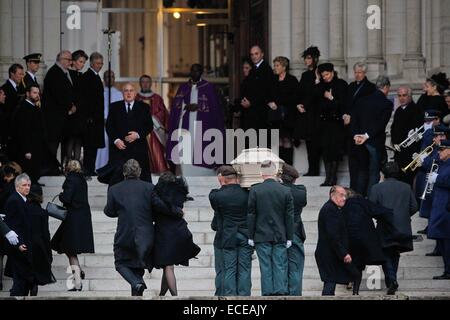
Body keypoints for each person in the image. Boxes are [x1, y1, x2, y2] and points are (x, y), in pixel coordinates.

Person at [104, 159, 172, 296]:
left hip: (125, 234)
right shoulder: (149, 187)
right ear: (139, 172)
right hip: (146, 235)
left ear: (124, 172)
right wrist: (176, 211)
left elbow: (109, 212)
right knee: (137, 268)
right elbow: (159, 207)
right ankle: (137, 287)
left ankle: (136, 283)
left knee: (121, 264)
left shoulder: (114, 189)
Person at [166, 64, 224, 176]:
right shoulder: (183, 87)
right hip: (185, 124)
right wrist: (186, 107)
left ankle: (203, 175)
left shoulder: (208, 87)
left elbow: (215, 110)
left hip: (203, 126)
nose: (194, 73)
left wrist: (198, 107)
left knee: (203, 149)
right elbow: (176, 108)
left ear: (201, 72)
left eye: (197, 71)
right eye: (192, 71)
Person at [369, 162, 418, 295]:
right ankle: (392, 281)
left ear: (383, 174)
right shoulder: (406, 187)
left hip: (385, 225)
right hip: (402, 226)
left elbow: (371, 209)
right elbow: (414, 207)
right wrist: (402, 216)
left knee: (386, 253)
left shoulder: (376, 188)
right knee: (395, 253)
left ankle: (391, 281)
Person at [247, 160, 294, 296]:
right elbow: (289, 217)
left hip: (261, 235)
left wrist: (250, 236)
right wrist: (290, 237)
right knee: (279, 265)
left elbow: (251, 214)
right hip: (280, 234)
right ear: (275, 173)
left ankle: (267, 294)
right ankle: (280, 292)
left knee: (265, 267)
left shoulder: (255, 189)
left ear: (261, 173)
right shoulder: (285, 190)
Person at [153, 172, 201, 296]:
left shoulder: (158, 197)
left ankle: (175, 296)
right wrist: (179, 212)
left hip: (165, 234)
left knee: (168, 266)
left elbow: (161, 208)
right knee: (167, 266)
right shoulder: (178, 193)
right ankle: (162, 295)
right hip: (179, 232)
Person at [51, 160, 95, 291]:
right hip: (82, 218)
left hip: (73, 219)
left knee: (70, 251)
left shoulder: (70, 179)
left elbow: (67, 198)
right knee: (67, 248)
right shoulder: (82, 180)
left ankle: (77, 282)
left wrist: (61, 196)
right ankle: (79, 273)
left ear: (68, 168)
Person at [209, 166, 252, 296]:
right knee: (245, 269)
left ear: (222, 178)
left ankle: (229, 298)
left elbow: (217, 211)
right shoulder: (248, 193)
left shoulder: (216, 195)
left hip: (227, 236)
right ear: (237, 178)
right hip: (245, 235)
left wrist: (223, 184)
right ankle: (244, 298)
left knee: (229, 269)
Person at [342, 188, 391, 295]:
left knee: (350, 262)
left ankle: (349, 280)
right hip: (363, 239)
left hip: (347, 239)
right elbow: (378, 210)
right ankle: (355, 291)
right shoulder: (362, 202)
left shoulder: (342, 204)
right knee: (359, 265)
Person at [352, 75, 394, 196]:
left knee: (361, 171)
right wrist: (366, 135)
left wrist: (357, 135)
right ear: (386, 87)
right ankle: (371, 199)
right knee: (373, 173)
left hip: (359, 142)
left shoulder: (361, 100)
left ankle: (359, 199)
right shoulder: (386, 103)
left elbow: (354, 120)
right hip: (374, 142)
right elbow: (381, 124)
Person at [106, 83, 153, 186]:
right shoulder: (114, 107)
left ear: (135, 93)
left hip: (139, 149)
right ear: (122, 93)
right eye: (126, 91)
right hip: (120, 149)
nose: (128, 93)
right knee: (116, 180)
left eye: (131, 90)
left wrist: (138, 135)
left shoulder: (144, 107)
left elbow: (149, 126)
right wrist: (116, 140)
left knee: (144, 181)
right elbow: (109, 126)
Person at [315, 185, 358, 296]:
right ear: (332, 195)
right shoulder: (330, 210)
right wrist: (344, 253)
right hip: (328, 254)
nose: (344, 198)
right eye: (341, 195)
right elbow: (333, 235)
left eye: (345, 196)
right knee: (330, 283)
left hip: (330, 253)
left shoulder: (333, 209)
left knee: (330, 282)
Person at [42, 50, 75, 174]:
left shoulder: (62, 72)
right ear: (61, 59)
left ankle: (55, 167)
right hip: (53, 117)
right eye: (68, 60)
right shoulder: (54, 73)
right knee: (52, 143)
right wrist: (70, 106)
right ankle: (50, 168)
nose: (70, 62)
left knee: (56, 142)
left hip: (60, 117)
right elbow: (59, 94)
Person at [344, 62, 377, 189]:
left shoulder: (370, 87)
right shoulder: (351, 86)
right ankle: (352, 188)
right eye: (356, 72)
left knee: (363, 162)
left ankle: (362, 190)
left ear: (364, 73)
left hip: (363, 128)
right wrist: (345, 115)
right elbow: (346, 104)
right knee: (352, 161)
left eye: (360, 72)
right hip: (350, 129)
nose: (357, 75)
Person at [316, 63, 348, 187]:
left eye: (327, 74)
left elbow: (341, 104)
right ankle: (327, 177)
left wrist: (331, 98)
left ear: (332, 73)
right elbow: (317, 102)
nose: (325, 77)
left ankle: (333, 178)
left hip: (336, 124)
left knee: (334, 151)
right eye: (323, 75)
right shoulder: (321, 87)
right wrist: (317, 80)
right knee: (325, 151)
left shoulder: (341, 84)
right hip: (324, 124)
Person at [2, 174, 34, 296]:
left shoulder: (21, 199)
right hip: (18, 247)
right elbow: (12, 225)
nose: (27, 188)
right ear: (17, 187)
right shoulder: (14, 200)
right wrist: (19, 244)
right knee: (19, 282)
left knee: (23, 282)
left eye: (29, 185)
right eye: (24, 185)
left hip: (22, 246)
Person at [280, 164, 307, 296]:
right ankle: (295, 295)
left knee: (280, 268)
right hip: (295, 232)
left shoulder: (277, 190)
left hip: (278, 233)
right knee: (295, 268)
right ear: (294, 179)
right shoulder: (300, 191)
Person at [267, 57, 299, 165]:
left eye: (277, 65)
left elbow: (294, 97)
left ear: (284, 67)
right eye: (274, 65)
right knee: (278, 141)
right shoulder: (272, 80)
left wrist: (278, 102)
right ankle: (280, 168)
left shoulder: (292, 80)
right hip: (275, 116)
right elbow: (268, 95)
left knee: (287, 140)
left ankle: (288, 168)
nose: (275, 68)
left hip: (287, 115)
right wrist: (270, 102)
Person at [240, 46, 275, 143]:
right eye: (252, 54)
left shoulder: (266, 69)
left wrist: (251, 102)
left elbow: (266, 92)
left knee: (260, 145)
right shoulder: (253, 70)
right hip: (251, 113)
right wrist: (243, 101)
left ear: (262, 54)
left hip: (261, 113)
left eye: (256, 53)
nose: (254, 56)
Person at [136, 75, 170, 174]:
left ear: (151, 84)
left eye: (147, 82)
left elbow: (163, 113)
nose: (145, 84)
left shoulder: (157, 98)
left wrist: (151, 119)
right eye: (143, 82)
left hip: (155, 131)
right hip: (140, 131)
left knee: (157, 151)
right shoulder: (136, 98)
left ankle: (159, 170)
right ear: (140, 84)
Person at [426, 140, 450, 280]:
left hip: (447, 207)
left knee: (446, 239)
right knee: (442, 238)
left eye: (442, 150)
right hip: (440, 205)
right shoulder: (443, 164)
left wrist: (437, 179)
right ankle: (447, 269)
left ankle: (448, 270)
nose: (439, 152)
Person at [296, 46, 321, 176]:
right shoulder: (305, 75)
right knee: (309, 142)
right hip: (306, 113)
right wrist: (299, 104)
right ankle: (312, 169)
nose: (306, 60)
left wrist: (317, 81)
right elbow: (300, 92)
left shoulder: (320, 73)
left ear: (315, 59)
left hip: (316, 113)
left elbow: (317, 94)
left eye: (309, 58)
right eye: (305, 58)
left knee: (316, 141)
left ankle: (315, 169)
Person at [12, 85, 45, 184]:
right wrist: (27, 150)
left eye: (38, 93)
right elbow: (23, 130)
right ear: (27, 94)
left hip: (35, 146)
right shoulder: (24, 108)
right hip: (28, 148)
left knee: (33, 172)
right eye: (34, 93)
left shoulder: (34, 107)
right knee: (28, 172)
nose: (37, 95)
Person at [391, 86, 424, 186]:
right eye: (399, 96)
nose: (401, 98)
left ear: (410, 96)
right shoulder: (398, 111)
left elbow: (418, 133)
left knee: (409, 180)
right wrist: (394, 142)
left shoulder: (417, 110)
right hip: (399, 152)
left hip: (411, 152)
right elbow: (393, 128)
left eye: (404, 95)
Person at [79, 52, 105, 177]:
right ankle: (88, 169)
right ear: (91, 63)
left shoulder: (95, 76)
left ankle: (91, 168)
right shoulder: (87, 77)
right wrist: (88, 116)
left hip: (96, 119)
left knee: (94, 146)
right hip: (90, 119)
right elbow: (85, 99)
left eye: (101, 63)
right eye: (97, 63)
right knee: (89, 146)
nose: (100, 66)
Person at [63, 50, 88, 165]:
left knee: (79, 140)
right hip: (72, 113)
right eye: (80, 61)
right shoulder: (68, 75)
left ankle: (77, 166)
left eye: (83, 62)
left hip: (81, 112)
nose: (82, 64)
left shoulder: (80, 75)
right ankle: (68, 164)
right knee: (71, 139)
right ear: (73, 61)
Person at [96, 70, 122, 171]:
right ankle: (100, 167)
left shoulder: (119, 94)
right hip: (102, 124)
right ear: (104, 79)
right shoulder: (100, 93)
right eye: (107, 77)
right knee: (103, 146)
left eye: (112, 77)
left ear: (114, 79)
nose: (110, 79)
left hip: (115, 125)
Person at [1, 64, 26, 159]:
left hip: (19, 130)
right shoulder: (4, 89)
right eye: (19, 74)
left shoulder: (21, 89)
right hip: (9, 130)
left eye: (22, 74)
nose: (22, 76)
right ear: (12, 74)